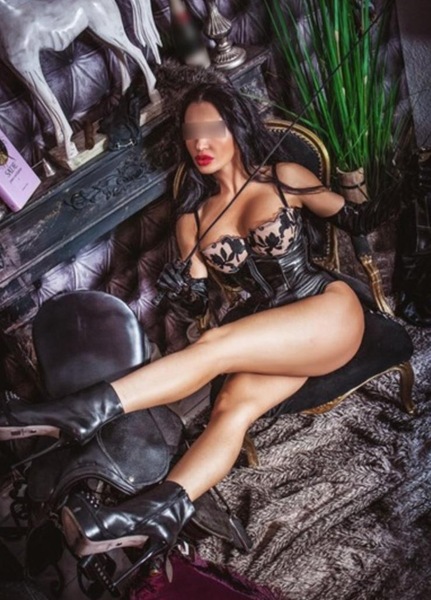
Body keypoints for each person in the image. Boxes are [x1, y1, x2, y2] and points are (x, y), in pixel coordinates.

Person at [0, 82, 381, 565]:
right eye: (189, 133)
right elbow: (195, 303)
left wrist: (363, 183)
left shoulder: (284, 177)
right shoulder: (193, 220)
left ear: (236, 128)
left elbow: (355, 219)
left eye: (212, 129)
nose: (200, 143)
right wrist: (181, 288)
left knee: (217, 345)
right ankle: (153, 514)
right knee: (230, 409)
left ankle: (79, 411)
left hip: (326, 308)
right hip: (275, 335)